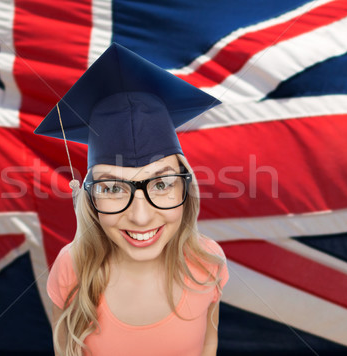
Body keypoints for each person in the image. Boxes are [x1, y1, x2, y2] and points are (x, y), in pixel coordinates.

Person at [35, 43, 229, 356]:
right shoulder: (73, 268)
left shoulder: (207, 261)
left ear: (186, 189)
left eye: (162, 183)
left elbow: (208, 344)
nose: (141, 217)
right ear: (89, 197)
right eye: (112, 188)